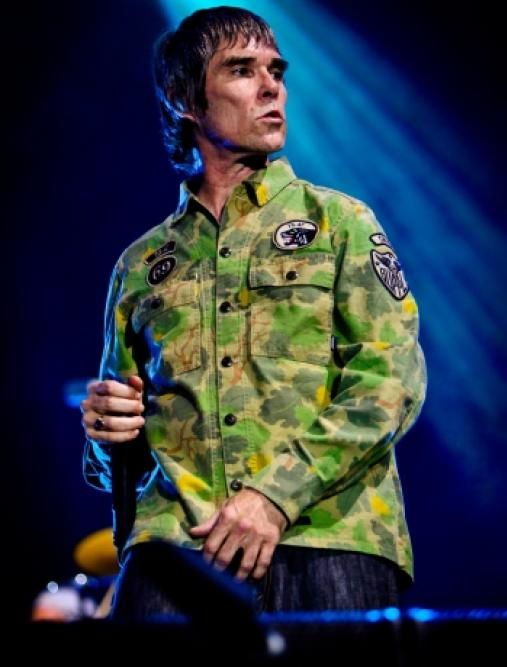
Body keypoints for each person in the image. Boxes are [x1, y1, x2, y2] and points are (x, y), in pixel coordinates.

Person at [81, 6, 426, 619]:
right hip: (175, 553)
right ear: (183, 98)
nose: (271, 88)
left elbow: (390, 382)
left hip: (325, 536)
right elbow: (115, 461)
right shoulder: (141, 264)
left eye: (277, 71)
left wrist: (274, 496)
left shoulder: (340, 223)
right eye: (242, 70)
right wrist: (106, 435)